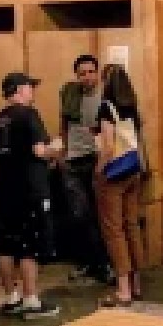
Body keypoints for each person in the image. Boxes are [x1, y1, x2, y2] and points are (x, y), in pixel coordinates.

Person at [0, 73, 63, 319]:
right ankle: (31, 299)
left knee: (6, 245)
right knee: (29, 243)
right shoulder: (29, 115)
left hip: (4, 189)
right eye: (30, 87)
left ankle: (10, 297)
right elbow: (39, 150)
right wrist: (57, 148)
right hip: (30, 189)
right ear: (21, 90)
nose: (33, 92)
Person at [95, 63, 145, 306]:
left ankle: (123, 289)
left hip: (114, 173)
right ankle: (137, 283)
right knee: (132, 226)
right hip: (133, 170)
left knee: (113, 230)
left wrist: (98, 169)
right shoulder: (132, 108)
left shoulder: (107, 108)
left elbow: (106, 146)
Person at [61, 54, 110, 283]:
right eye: (82, 73)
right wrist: (62, 153)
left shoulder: (105, 98)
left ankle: (104, 263)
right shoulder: (70, 95)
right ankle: (88, 261)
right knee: (79, 214)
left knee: (100, 214)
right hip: (73, 160)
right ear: (77, 75)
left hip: (96, 159)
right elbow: (64, 124)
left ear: (98, 73)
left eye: (91, 71)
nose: (87, 76)